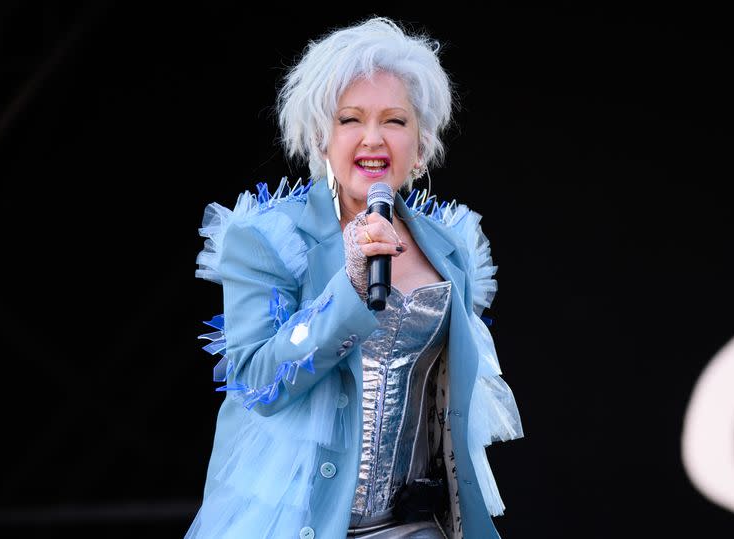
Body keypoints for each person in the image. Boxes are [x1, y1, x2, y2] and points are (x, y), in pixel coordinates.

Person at [188, 16, 524, 539]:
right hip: (300, 524)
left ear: (421, 143)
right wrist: (346, 288)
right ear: (322, 136)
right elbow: (258, 382)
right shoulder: (269, 240)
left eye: (395, 120)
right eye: (350, 119)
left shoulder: (451, 247)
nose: (373, 138)